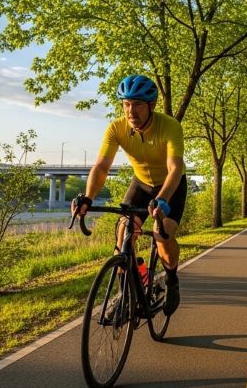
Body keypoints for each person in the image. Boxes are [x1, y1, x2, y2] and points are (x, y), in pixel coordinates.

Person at [72, 74, 187, 316]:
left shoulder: (170, 126)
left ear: (152, 105)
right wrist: (88, 197)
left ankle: (172, 280)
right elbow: (102, 167)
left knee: (161, 233)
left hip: (170, 185)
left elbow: (175, 168)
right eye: (126, 104)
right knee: (123, 234)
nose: (130, 111)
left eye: (137, 104)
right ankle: (127, 293)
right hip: (142, 184)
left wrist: (163, 200)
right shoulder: (116, 128)